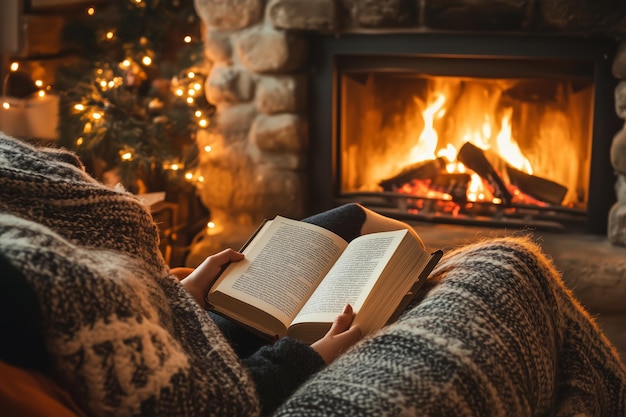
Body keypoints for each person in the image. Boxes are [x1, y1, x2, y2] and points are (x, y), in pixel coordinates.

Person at [1, 131, 626, 417]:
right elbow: (211, 403)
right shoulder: (21, 302)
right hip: (234, 367)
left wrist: (174, 291)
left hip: (180, 317)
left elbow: (107, 294)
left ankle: (398, 284)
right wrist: (316, 357)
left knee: (353, 220)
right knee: (507, 261)